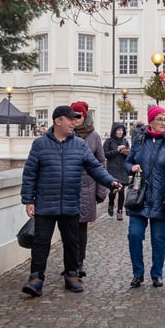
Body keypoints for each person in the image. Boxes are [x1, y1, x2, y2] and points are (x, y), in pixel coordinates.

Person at [20, 105, 123, 297]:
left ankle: (71, 275)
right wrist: (28, 200)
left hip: (71, 202)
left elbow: (95, 167)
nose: (74, 122)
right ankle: (36, 279)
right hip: (45, 203)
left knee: (71, 242)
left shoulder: (79, 145)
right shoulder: (40, 144)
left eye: (76, 119)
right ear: (58, 121)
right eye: (70, 119)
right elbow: (30, 173)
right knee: (41, 242)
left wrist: (110, 182)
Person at [124, 105, 165, 288]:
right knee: (134, 235)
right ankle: (137, 273)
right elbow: (127, 162)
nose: (164, 123)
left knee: (159, 238)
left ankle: (157, 274)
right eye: (160, 119)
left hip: (161, 197)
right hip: (139, 196)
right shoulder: (139, 140)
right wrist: (131, 168)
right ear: (151, 121)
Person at [71, 101, 107, 278]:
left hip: (87, 186)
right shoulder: (66, 133)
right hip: (69, 186)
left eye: (79, 115)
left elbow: (101, 162)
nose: (76, 119)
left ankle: (79, 261)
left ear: (84, 116)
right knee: (68, 228)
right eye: (73, 115)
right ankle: (70, 261)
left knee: (81, 227)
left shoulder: (94, 136)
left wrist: (101, 190)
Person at [103, 122, 130, 221]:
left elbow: (129, 154)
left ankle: (120, 211)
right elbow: (105, 154)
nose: (120, 132)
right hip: (113, 169)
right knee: (113, 190)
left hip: (122, 169)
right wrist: (117, 150)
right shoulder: (109, 141)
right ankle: (111, 204)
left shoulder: (125, 141)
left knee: (122, 191)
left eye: (122, 130)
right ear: (114, 131)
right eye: (118, 130)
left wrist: (126, 152)